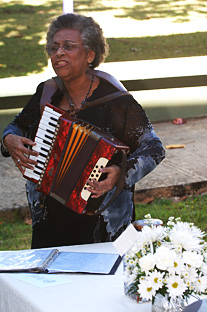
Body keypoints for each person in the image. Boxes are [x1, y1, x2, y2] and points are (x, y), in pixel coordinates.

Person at [1, 13, 165, 249]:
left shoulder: (115, 101)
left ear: (90, 55)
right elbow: (17, 125)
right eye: (54, 47)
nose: (58, 53)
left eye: (69, 46)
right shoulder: (47, 93)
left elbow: (154, 148)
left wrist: (121, 172)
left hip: (102, 220)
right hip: (50, 219)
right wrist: (8, 139)